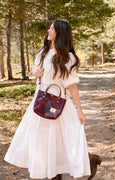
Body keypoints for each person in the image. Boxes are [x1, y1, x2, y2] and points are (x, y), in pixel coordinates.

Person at [4, 19, 91, 179]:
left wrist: (80, 110)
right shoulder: (42, 52)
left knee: (60, 141)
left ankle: (64, 171)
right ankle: (51, 173)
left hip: (58, 104)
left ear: (59, 32)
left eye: (51, 29)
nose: (48, 31)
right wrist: (35, 73)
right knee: (42, 141)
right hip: (40, 102)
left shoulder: (67, 57)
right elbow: (36, 71)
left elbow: (71, 86)